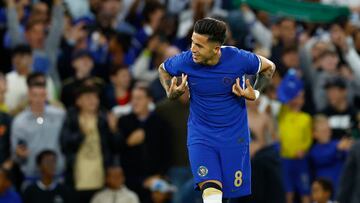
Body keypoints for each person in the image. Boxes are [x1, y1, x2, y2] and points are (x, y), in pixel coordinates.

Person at [158, 17, 276, 202]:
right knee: (211, 194)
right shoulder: (186, 61)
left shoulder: (238, 58)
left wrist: (255, 92)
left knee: (232, 197)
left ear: (216, 48)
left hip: (234, 137)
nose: (193, 49)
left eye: (199, 45)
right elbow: (163, 69)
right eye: (192, 42)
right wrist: (170, 91)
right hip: (202, 136)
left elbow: (269, 67)